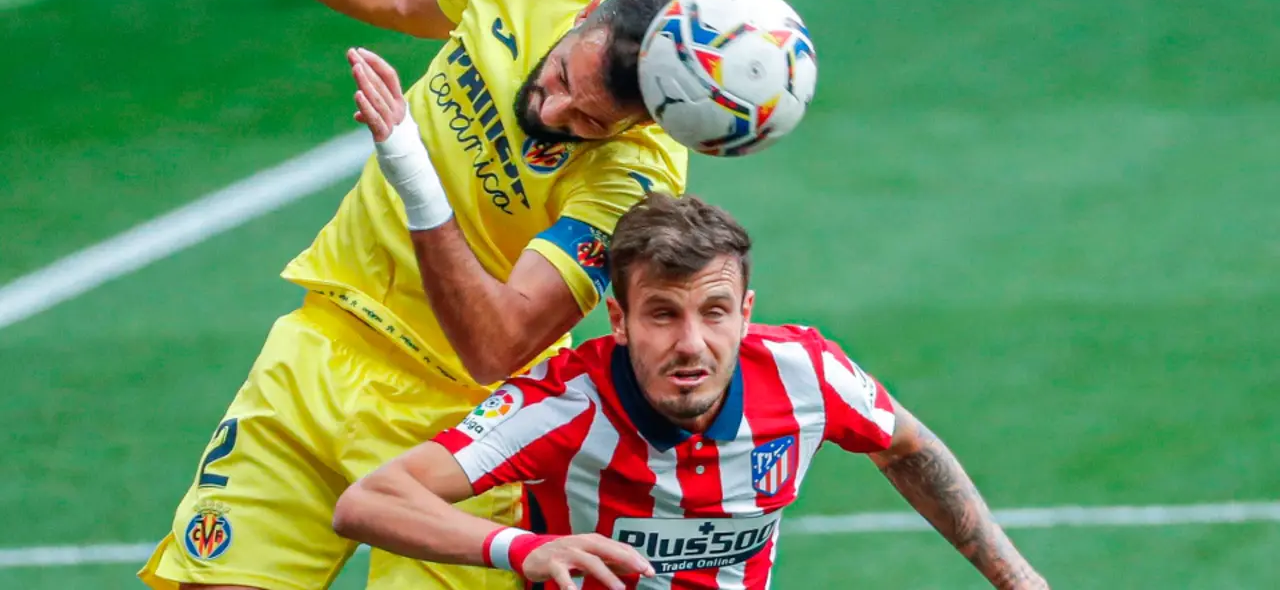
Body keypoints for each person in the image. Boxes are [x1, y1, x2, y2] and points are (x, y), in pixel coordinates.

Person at [111, 0, 689, 590]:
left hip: (465, 430)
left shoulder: (634, 179)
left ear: (642, 124)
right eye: (564, 75)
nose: (555, 109)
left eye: (591, 122)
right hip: (323, 348)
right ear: (583, 14)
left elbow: (496, 345)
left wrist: (415, 178)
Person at [330, 193, 1051, 590]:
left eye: (714, 312)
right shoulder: (564, 404)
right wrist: (523, 549)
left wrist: (1018, 579)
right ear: (618, 320)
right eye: (662, 314)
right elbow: (368, 502)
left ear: (745, 313)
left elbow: (906, 446)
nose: (691, 344)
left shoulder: (806, 374)